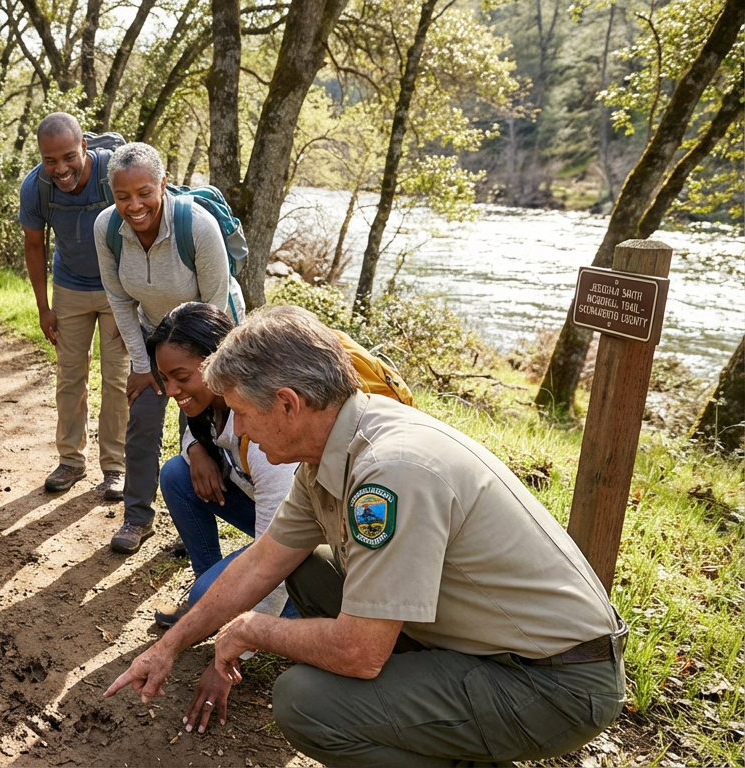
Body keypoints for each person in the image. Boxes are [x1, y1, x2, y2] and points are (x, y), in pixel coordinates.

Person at [105, 306, 626, 766]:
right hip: (491, 648)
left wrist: (250, 631)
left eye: (242, 413)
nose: (237, 430)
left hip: (552, 682)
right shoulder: (333, 446)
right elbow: (264, 560)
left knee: (306, 702)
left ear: (288, 404)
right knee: (306, 567)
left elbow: (360, 652)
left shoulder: (389, 470)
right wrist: (169, 647)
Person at [92, 142, 244, 554]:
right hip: (152, 329)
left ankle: (193, 520)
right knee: (142, 415)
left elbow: (215, 311)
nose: (134, 205)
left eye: (144, 193)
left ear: (162, 185)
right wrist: (143, 364)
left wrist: (204, 373)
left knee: (200, 426)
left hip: (209, 333)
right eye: (123, 196)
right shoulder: (107, 229)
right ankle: (137, 517)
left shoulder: (197, 227)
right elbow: (119, 300)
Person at [147, 303, 295, 627]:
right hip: (269, 511)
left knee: (206, 600)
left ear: (217, 359)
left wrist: (241, 642)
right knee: (175, 475)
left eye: (181, 377)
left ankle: (313, 610)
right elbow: (194, 430)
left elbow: (278, 557)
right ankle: (210, 586)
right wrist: (197, 449)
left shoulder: (260, 425)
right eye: (164, 378)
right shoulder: (209, 402)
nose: (171, 391)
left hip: (305, 540)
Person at [19, 113, 127, 502]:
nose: (60, 169)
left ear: (84, 147)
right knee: (70, 376)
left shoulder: (113, 173)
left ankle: (115, 468)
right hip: (70, 286)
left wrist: (136, 299)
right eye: (50, 161)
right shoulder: (36, 188)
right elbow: (34, 245)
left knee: (117, 379)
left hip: (118, 290)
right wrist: (43, 307)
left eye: (68, 157)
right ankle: (70, 461)